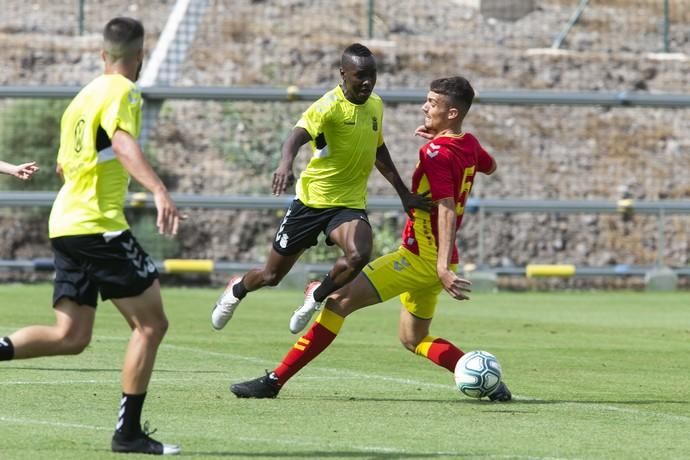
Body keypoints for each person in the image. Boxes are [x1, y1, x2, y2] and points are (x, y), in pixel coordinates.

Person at [229, 76, 512, 402]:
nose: (425, 106)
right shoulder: (469, 144)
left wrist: (439, 267)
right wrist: (444, 265)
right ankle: (487, 381)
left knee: (336, 304)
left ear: (452, 113)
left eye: (433, 103)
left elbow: (446, 209)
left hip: (419, 258)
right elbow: (488, 167)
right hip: (440, 259)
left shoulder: (436, 153)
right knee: (414, 338)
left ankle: (274, 381)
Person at [0, 17, 183, 455]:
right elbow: (122, 145)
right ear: (140, 57)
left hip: (64, 223)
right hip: (97, 225)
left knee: (72, 336)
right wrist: (158, 189)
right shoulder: (124, 91)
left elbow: (66, 167)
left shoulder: (81, 99)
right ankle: (129, 434)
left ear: (103, 54)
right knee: (152, 324)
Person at [211, 43, 430, 334]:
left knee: (359, 254)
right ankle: (236, 290)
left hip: (348, 205)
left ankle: (316, 294)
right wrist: (285, 165)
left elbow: (379, 150)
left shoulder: (376, 105)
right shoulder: (328, 106)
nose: (367, 82)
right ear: (343, 73)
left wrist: (403, 192)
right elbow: (294, 138)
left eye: (372, 75)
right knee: (271, 275)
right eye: (360, 75)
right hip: (311, 203)